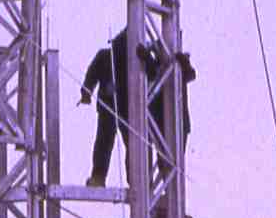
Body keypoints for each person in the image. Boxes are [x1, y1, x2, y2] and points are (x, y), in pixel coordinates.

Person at [79, 29, 194, 187]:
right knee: (125, 145)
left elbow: (154, 73)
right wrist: (86, 93)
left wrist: (86, 93)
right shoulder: (113, 57)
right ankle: (135, 182)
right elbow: (92, 74)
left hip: (125, 108)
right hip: (117, 107)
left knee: (131, 146)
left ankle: (135, 182)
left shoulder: (125, 58)